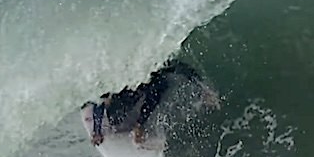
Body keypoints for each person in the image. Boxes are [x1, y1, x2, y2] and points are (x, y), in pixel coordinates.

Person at [88, 60, 218, 146]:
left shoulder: (155, 64)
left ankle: (138, 125)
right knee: (115, 118)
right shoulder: (119, 73)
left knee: (160, 85)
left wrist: (203, 88)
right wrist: (96, 130)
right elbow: (100, 100)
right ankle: (113, 102)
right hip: (126, 83)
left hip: (146, 77)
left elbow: (182, 68)